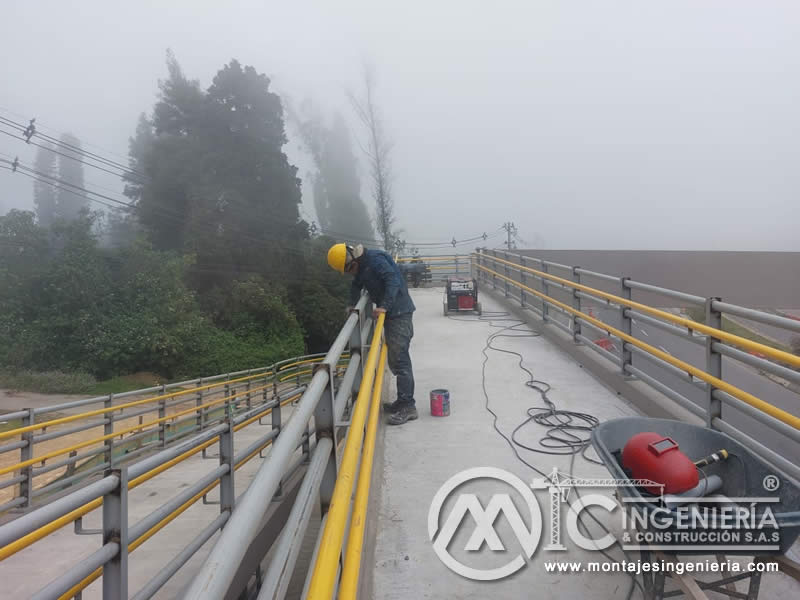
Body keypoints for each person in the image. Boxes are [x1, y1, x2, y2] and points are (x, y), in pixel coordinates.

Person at [327, 243, 418, 425]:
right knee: (395, 359)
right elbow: (356, 285)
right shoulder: (361, 265)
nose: (350, 273)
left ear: (353, 259)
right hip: (393, 314)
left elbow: (393, 280)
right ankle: (402, 401)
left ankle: (408, 406)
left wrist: (384, 306)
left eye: (349, 269)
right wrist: (351, 304)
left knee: (400, 360)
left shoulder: (374, 260)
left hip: (399, 313)